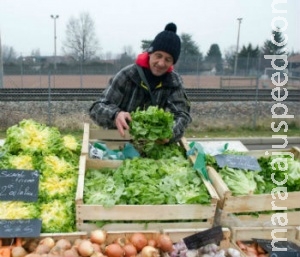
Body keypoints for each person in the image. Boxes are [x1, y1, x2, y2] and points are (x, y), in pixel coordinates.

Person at [89, 22, 192, 144]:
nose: (161, 63)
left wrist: (170, 133)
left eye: (168, 59)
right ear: (150, 53)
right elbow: (96, 108)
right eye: (158, 56)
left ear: (172, 63)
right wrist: (115, 115)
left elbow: (182, 115)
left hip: (152, 147)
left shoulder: (173, 82)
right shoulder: (127, 75)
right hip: (119, 143)